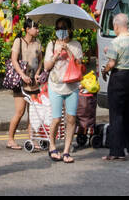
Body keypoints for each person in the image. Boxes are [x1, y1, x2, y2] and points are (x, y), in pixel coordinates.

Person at [102, 12, 129, 162]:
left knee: (116, 115)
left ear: (116, 26)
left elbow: (111, 63)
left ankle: (117, 151)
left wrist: (104, 70)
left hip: (119, 77)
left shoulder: (116, 42)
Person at [43, 21, 83, 163]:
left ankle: (66, 151)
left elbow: (79, 63)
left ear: (70, 29)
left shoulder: (76, 44)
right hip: (55, 86)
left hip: (72, 87)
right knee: (56, 119)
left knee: (71, 119)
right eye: (58, 28)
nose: (61, 31)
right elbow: (46, 66)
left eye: (63, 28)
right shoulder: (51, 44)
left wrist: (69, 50)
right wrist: (56, 54)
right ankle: (52, 146)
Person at [5, 17, 43, 149]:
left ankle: (32, 139)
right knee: (20, 112)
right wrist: (22, 74)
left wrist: (38, 73)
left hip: (33, 83)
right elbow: (14, 60)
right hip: (21, 82)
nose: (37, 30)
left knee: (32, 113)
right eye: (35, 27)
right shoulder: (18, 41)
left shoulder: (38, 42)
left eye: (38, 27)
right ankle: (10, 139)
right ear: (27, 29)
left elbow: (40, 60)